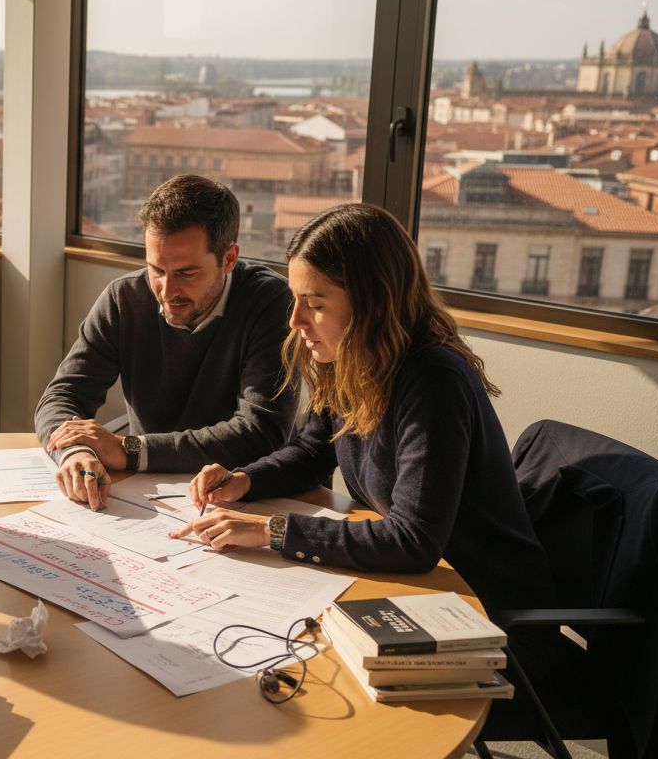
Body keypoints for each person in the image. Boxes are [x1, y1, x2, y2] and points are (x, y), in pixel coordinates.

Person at [174, 202, 554, 615]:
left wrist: (271, 530)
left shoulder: (433, 379)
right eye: (295, 300)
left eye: (315, 304)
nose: (296, 320)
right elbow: (312, 451)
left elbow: (413, 542)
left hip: (486, 606)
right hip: (420, 587)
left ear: (372, 304)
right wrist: (245, 480)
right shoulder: (352, 359)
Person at [35, 174, 297, 510]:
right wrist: (75, 451)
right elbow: (63, 395)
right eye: (156, 270)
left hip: (244, 498)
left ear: (229, 259)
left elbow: (260, 433)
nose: (167, 291)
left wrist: (131, 450)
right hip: (147, 495)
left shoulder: (271, 303)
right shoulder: (124, 299)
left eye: (186, 273)